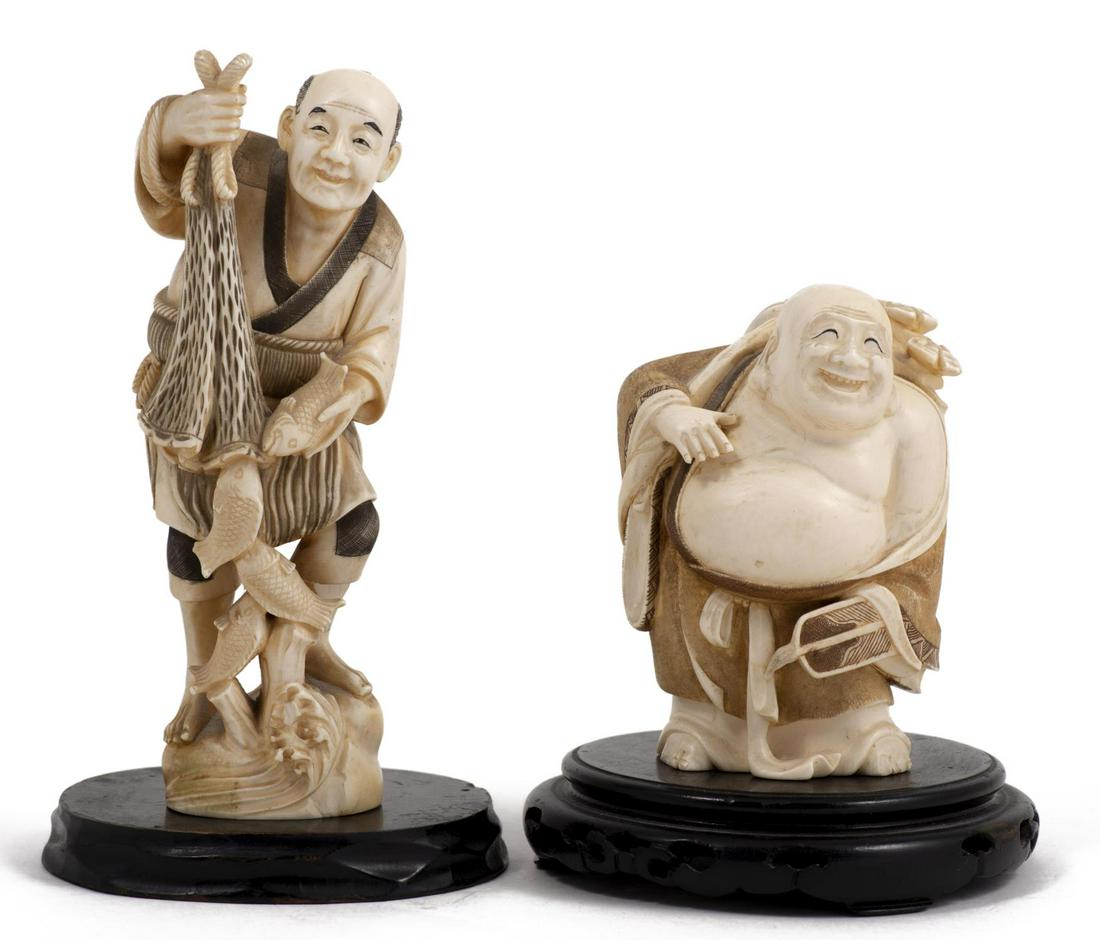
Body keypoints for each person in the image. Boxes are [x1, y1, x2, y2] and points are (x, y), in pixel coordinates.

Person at [135, 69, 405, 746]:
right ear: (287, 128)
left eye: (363, 140)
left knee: (354, 523)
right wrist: (181, 123)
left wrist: (334, 400)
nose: (336, 153)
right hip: (199, 396)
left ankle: (302, 641)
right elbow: (167, 198)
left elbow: (373, 350)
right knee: (196, 541)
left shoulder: (382, 243)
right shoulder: (240, 165)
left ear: (388, 160)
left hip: (301, 412)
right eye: (319, 127)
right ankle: (202, 677)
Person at [618, 285, 959, 779]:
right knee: (711, 671)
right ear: (777, 344)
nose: (850, 359)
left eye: (872, 343)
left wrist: (889, 601)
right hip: (705, 589)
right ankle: (704, 728)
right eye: (828, 334)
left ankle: (861, 730)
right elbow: (646, 382)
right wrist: (669, 415)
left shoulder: (909, 419)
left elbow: (917, 541)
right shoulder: (727, 375)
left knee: (836, 658)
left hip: (836, 598)